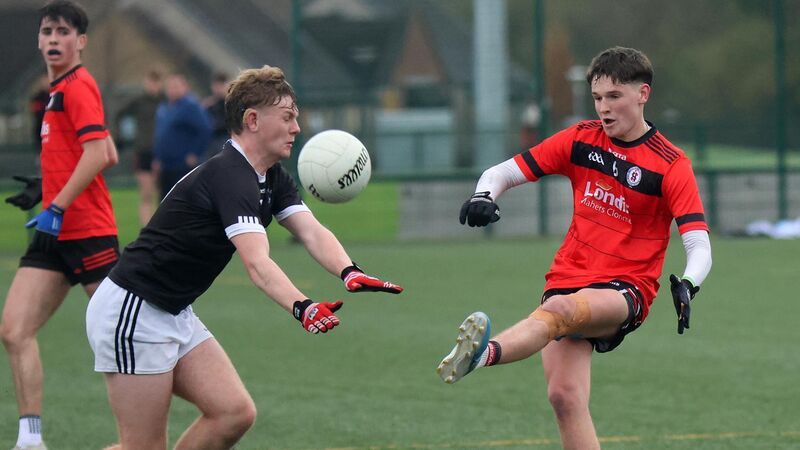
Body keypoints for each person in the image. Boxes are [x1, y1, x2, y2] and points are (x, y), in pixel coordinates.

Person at [85, 65, 403, 449]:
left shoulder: (271, 176)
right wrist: (302, 307)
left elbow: (311, 231)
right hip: (134, 311)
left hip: (173, 311)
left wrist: (349, 271)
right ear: (252, 120)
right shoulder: (230, 175)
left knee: (233, 413)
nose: (296, 128)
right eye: (287, 117)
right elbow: (257, 263)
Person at [436, 47, 712, 449]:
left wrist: (689, 282)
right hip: (568, 276)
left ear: (643, 94)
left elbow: (698, 242)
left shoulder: (670, 164)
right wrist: (484, 194)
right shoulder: (582, 139)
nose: (604, 108)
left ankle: (480, 355)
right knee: (564, 398)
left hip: (625, 288)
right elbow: (504, 171)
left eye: (614, 96)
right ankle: (481, 355)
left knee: (562, 311)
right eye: (597, 98)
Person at [0, 2, 120, 450]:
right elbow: (108, 151)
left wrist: (58, 202)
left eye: (64, 32)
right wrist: (47, 186)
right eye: (47, 31)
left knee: (124, 337)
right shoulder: (56, 91)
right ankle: (30, 439)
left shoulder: (78, 85)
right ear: (38, 39)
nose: (54, 39)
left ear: (81, 41)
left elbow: (97, 155)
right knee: (14, 330)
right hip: (53, 234)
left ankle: (147, 433)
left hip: (87, 232)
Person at [152, 72, 211, 199]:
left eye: (176, 86)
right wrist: (158, 157)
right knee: (165, 201)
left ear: (185, 87)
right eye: (170, 86)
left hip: (182, 165)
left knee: (183, 200)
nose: (172, 90)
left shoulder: (191, 106)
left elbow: (205, 129)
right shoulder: (164, 107)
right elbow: (160, 134)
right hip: (166, 165)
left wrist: (195, 153)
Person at [115, 70, 163, 225]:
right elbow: (119, 114)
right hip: (143, 150)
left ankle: (160, 226)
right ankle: (146, 227)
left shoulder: (165, 101)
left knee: (161, 192)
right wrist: (121, 137)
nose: (152, 86)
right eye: (150, 82)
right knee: (146, 193)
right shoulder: (139, 101)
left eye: (155, 82)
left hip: (161, 152)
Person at [203, 71, 230, 159]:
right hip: (211, 142)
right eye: (216, 86)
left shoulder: (231, 103)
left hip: (225, 140)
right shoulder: (211, 104)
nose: (217, 90)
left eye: (220, 86)